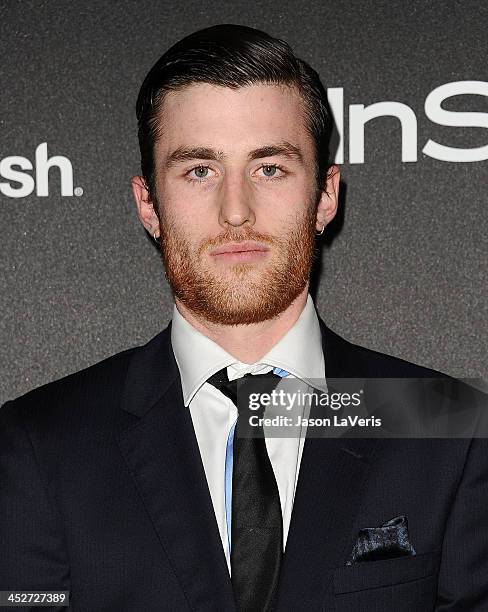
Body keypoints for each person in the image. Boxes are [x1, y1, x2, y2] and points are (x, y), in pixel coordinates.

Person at [1, 24, 487, 612]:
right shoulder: (39, 443)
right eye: (199, 170)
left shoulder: (447, 425)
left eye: (270, 169)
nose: (236, 211)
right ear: (147, 204)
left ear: (325, 196)